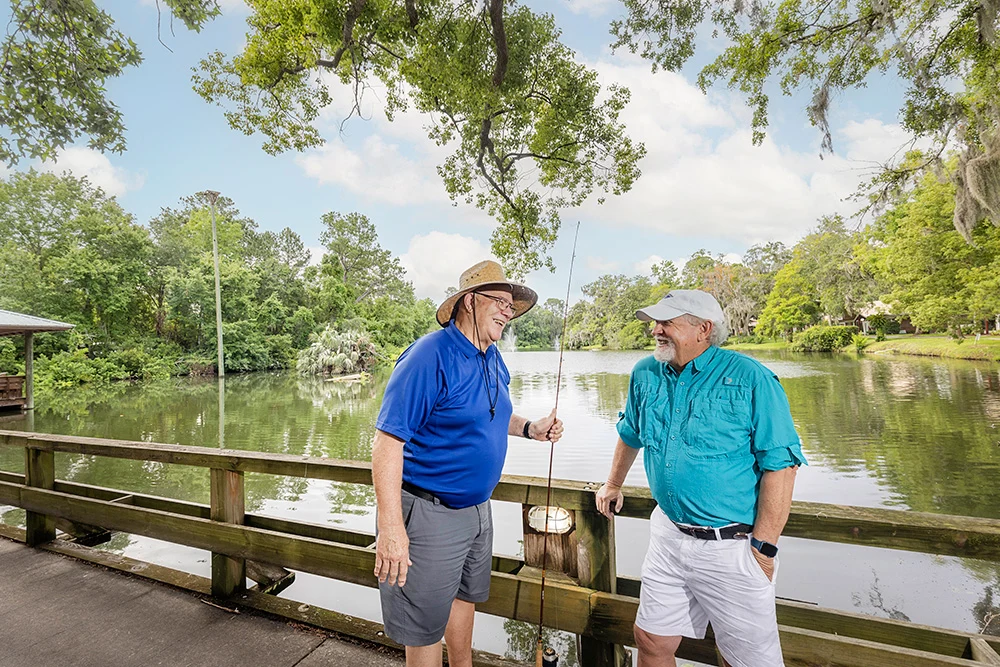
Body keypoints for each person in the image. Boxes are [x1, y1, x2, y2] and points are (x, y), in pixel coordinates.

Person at [595, 290, 805, 667]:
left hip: (733, 546)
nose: (656, 330)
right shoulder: (645, 373)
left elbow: (782, 465)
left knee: (747, 659)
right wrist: (613, 483)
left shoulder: (751, 378)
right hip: (667, 536)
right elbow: (631, 433)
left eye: (667, 323)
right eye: (655, 322)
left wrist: (765, 547)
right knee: (651, 639)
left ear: (704, 329)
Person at [372, 259, 564, 667]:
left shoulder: (492, 356)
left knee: (465, 600)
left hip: (479, 511)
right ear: (470, 301)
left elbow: (489, 414)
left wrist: (531, 428)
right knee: (423, 628)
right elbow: (387, 441)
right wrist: (391, 527)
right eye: (500, 303)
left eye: (511, 308)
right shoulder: (429, 356)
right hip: (428, 514)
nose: (507, 314)